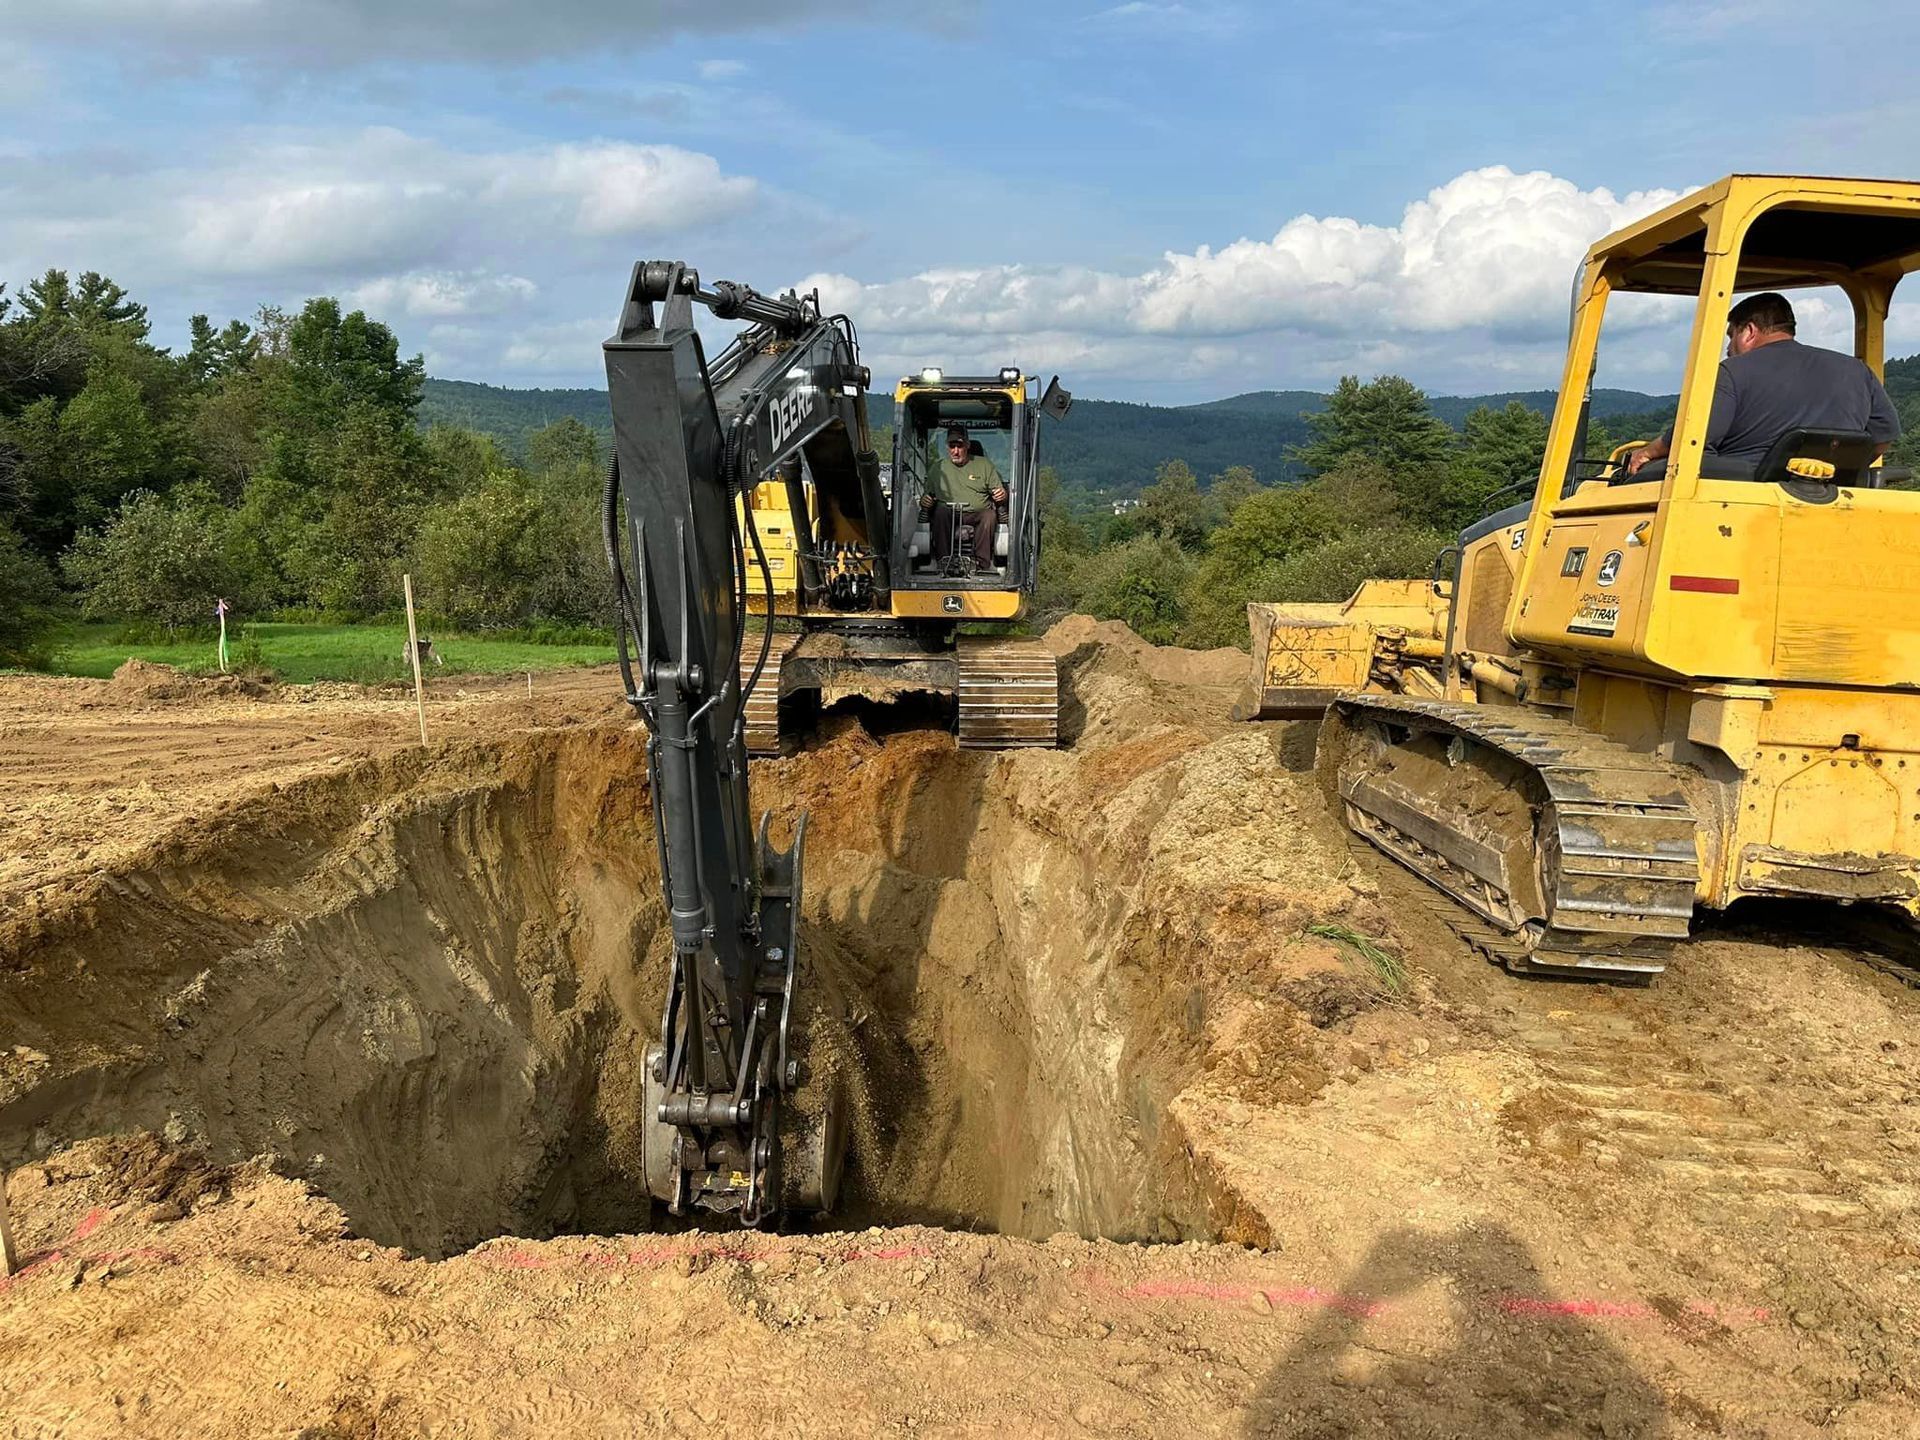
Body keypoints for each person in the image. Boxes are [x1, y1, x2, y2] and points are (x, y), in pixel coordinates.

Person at [1628, 292, 1900, 475]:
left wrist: (1648, 451)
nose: (1728, 347)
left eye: (1731, 335)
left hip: (1740, 505)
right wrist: (1836, 473)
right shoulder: (1855, 370)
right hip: (1834, 501)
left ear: (1748, 331)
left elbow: (1691, 439)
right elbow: (1883, 437)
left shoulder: (1732, 372)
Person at [920, 425, 1007, 573]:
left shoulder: (984, 465)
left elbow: (999, 494)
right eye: (952, 446)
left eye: (959, 446)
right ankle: (944, 561)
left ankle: (980, 563)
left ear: (967, 445)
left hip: (977, 513)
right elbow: (927, 496)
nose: (955, 451)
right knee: (940, 512)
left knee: (989, 516)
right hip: (949, 512)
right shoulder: (938, 467)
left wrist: (1001, 496)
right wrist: (925, 501)